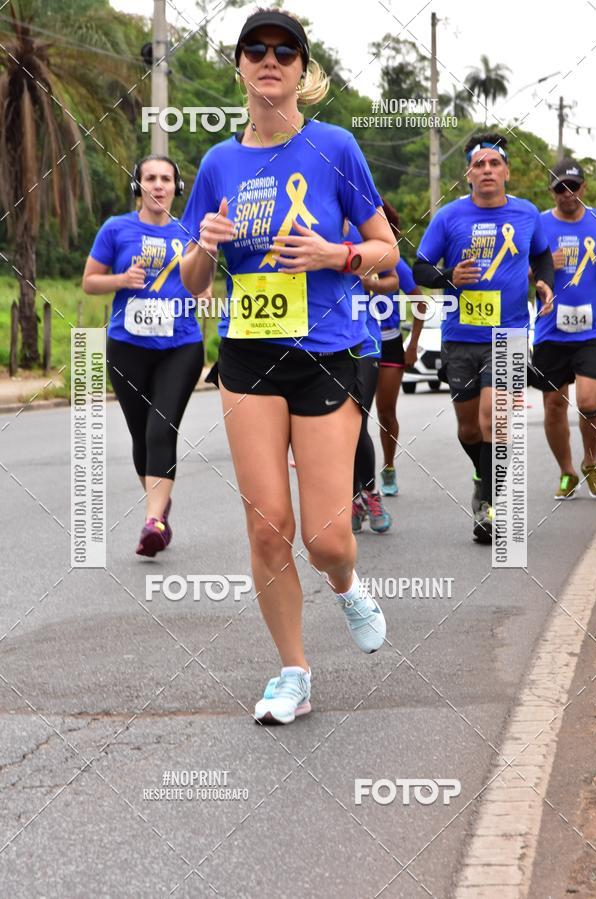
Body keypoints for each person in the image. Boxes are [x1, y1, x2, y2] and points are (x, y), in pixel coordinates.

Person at [180, 8, 399, 725]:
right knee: (268, 525)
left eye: (286, 51)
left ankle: (346, 583)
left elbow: (386, 251)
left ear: (303, 72)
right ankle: (293, 671)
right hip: (248, 355)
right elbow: (192, 282)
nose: (270, 59)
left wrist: (335, 256)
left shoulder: (335, 147)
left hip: (329, 352)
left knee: (326, 537)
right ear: (239, 66)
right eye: (256, 49)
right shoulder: (217, 164)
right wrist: (206, 245)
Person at [413, 132, 554, 542]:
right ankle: (483, 474)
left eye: (495, 164)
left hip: (508, 332)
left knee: (495, 420)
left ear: (506, 172)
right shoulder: (449, 217)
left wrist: (544, 282)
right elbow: (420, 268)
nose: (488, 170)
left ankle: (491, 506)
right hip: (460, 337)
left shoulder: (527, 214)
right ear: (469, 174)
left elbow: (542, 255)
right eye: (480, 165)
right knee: (469, 429)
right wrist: (447, 276)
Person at [82, 156, 204, 556]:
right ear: (138, 186)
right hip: (127, 346)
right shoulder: (116, 229)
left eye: (165, 179)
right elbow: (89, 282)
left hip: (180, 346)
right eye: (149, 178)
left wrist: (202, 294)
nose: (158, 185)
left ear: (176, 187)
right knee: (140, 435)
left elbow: (203, 284)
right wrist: (121, 279)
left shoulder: (188, 231)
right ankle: (160, 507)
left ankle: (153, 522)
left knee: (160, 428)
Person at [531, 158, 596, 499]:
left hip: (593, 331)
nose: (567, 194)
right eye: (560, 188)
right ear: (552, 191)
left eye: (573, 187)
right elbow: (515, 272)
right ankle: (567, 471)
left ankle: (591, 462)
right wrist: (542, 267)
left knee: (589, 400)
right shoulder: (539, 225)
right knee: (554, 405)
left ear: (583, 188)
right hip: (550, 330)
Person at [344, 220, 395, 534]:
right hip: (321, 339)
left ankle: (371, 493)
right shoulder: (304, 224)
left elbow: (394, 279)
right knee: (335, 426)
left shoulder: (365, 230)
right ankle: (351, 498)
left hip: (363, 340)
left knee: (357, 418)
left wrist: (371, 284)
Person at [374, 200, 426, 497]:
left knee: (386, 411)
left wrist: (413, 345)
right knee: (352, 413)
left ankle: (389, 466)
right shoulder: (350, 249)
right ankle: (357, 480)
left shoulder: (394, 263)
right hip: (356, 343)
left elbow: (420, 303)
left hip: (390, 342)